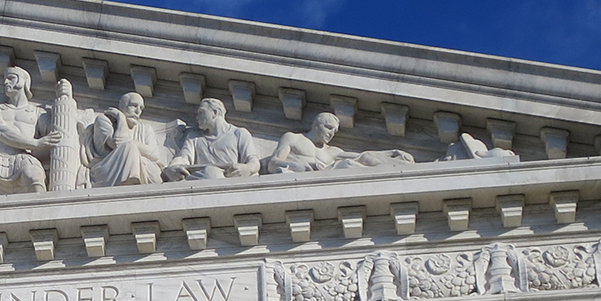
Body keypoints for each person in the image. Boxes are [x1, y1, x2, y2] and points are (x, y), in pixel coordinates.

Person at [0, 66, 53, 196]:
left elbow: (54, 138)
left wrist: (65, 100)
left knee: (34, 176)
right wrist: (36, 144)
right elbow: (1, 131)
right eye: (5, 79)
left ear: (24, 81)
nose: (5, 83)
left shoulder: (38, 114)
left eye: (11, 78)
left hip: (24, 160)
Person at [266, 111, 415, 173]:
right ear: (315, 125)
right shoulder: (294, 138)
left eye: (334, 131)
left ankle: (397, 167)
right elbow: (273, 163)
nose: (331, 134)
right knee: (349, 164)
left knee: (356, 160)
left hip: (326, 174)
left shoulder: (332, 151)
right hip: (301, 178)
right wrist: (295, 165)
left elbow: (363, 155)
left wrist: (391, 153)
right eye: (328, 128)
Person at [88, 90, 175, 186]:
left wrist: (134, 145)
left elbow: (154, 154)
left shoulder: (145, 128)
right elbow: (118, 143)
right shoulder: (104, 120)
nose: (138, 112)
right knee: (129, 147)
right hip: (108, 170)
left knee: (152, 170)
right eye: (133, 106)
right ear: (122, 107)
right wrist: (121, 118)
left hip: (145, 170)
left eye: (141, 108)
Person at [163, 98, 261, 181]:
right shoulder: (194, 137)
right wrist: (171, 169)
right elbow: (183, 158)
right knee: (210, 172)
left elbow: (254, 161)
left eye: (201, 112)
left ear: (215, 112)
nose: (197, 117)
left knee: (212, 172)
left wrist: (247, 168)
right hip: (201, 180)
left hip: (229, 180)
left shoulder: (239, 133)